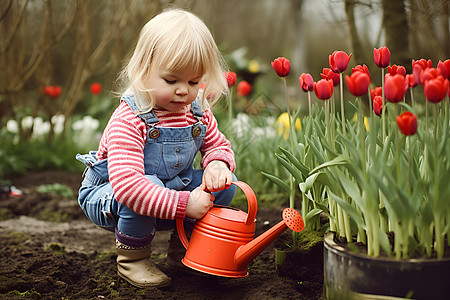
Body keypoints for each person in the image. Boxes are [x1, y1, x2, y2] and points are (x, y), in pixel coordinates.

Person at [76, 8, 237, 288]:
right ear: (144, 71)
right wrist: (185, 205)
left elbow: (216, 145)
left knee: (226, 184)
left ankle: (184, 250)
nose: (183, 91)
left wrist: (216, 165)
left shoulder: (196, 111)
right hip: (112, 196)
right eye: (171, 80)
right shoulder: (130, 118)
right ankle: (133, 259)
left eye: (193, 81)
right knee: (144, 183)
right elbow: (128, 187)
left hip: (171, 192)